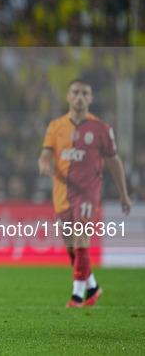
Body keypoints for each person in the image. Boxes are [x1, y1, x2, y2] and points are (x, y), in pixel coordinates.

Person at [38, 78, 131, 308]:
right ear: (68, 97)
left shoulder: (101, 129)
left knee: (81, 235)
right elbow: (45, 154)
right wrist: (42, 163)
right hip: (62, 192)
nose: (80, 97)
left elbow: (114, 161)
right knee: (71, 245)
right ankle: (92, 286)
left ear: (90, 98)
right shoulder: (55, 126)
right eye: (75, 92)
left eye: (84, 93)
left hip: (87, 191)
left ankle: (77, 295)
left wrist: (123, 193)